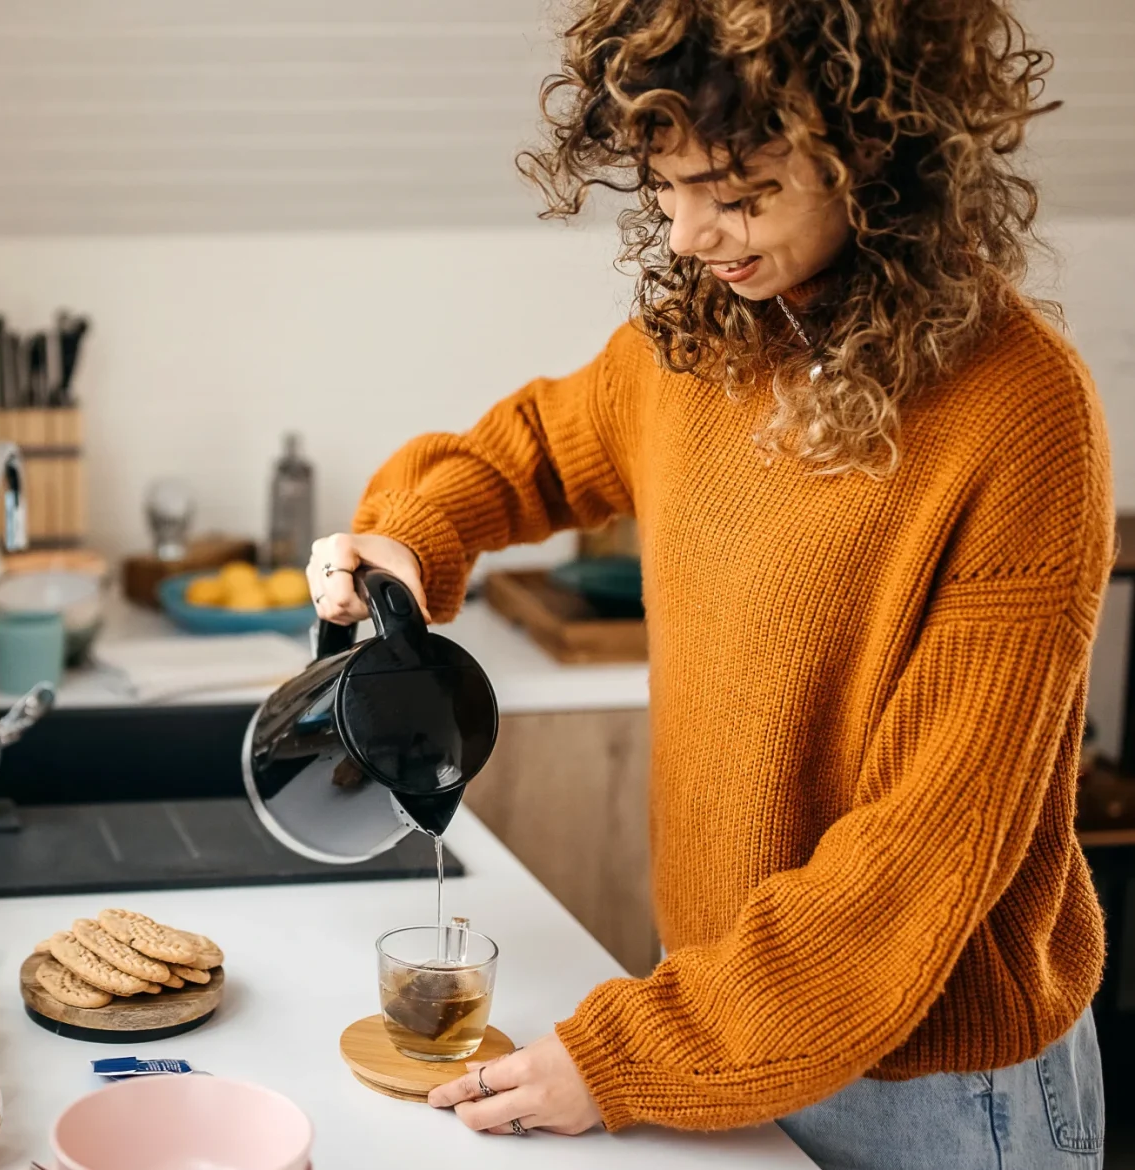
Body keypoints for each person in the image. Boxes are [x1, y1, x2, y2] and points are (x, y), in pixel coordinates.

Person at [307, 1, 1113, 1165]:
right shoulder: (704, 343)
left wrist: (634, 1050)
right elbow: (531, 446)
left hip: (938, 1093)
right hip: (722, 1031)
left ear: (878, 162)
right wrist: (412, 538)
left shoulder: (1022, 416)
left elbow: (919, 855)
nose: (688, 236)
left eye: (737, 194)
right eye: (666, 187)